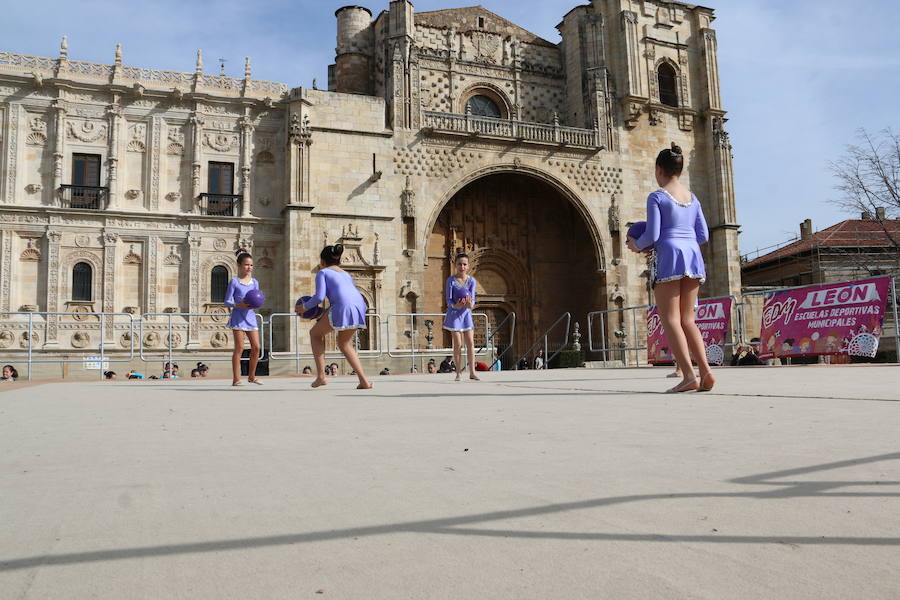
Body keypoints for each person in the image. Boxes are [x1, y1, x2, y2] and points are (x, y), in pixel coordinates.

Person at [627, 142, 715, 393]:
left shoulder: (657, 196)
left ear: (659, 169)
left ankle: (688, 376)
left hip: (670, 257)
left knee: (671, 319)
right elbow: (703, 235)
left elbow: (652, 234)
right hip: (693, 256)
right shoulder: (693, 198)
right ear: (680, 169)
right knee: (689, 319)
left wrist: (638, 245)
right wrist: (683, 241)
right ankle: (706, 370)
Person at [298, 244, 372, 389]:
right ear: (339, 261)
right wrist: (321, 313)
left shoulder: (323, 272)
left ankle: (321, 377)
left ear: (322, 261)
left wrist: (304, 307)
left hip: (342, 306)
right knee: (344, 343)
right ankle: (364, 381)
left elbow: (319, 297)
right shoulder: (345, 274)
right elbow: (342, 296)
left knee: (314, 334)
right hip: (360, 306)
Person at [225, 248, 262, 387]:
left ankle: (252, 376)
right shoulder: (234, 282)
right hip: (238, 317)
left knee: (256, 347)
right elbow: (227, 301)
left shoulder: (255, 282)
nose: (249, 267)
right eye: (246, 264)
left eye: (251, 265)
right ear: (239, 265)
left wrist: (257, 303)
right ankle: (236, 379)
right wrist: (238, 304)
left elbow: (256, 298)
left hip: (250, 317)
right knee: (239, 348)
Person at [443, 253, 479, 382]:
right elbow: (448, 299)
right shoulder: (450, 280)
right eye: (459, 264)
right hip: (454, 314)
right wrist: (455, 305)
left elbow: (473, 300)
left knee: (470, 342)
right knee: (458, 343)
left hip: (466, 314)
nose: (462, 266)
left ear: (468, 266)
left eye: (464, 264)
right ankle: (458, 372)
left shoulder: (472, 281)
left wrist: (470, 305)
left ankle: (472, 372)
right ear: (455, 265)